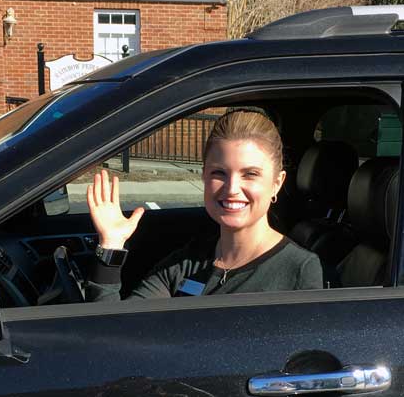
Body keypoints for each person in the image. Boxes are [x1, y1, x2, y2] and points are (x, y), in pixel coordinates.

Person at [85, 110, 322, 301]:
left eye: (250, 174)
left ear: (276, 184)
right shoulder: (188, 260)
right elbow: (117, 331)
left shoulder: (299, 269)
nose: (231, 188)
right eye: (219, 172)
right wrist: (111, 247)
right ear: (204, 177)